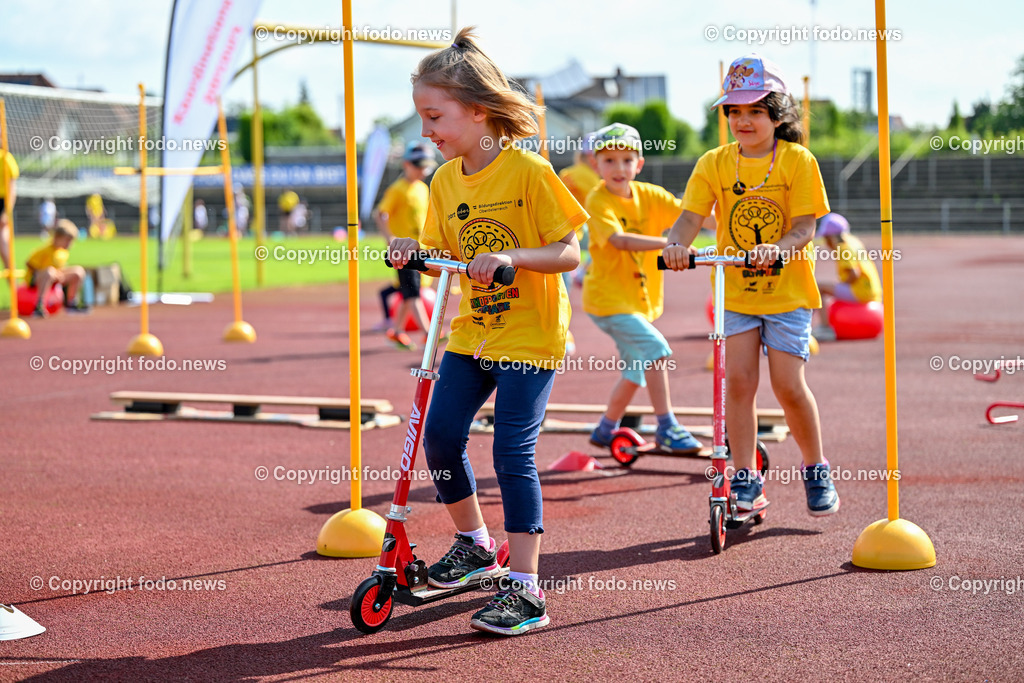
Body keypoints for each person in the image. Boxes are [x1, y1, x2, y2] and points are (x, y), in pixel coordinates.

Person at [389, 27, 584, 636]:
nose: (426, 131)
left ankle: (526, 589)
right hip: (473, 332)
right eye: (421, 117)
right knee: (441, 437)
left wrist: (514, 259)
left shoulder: (527, 170)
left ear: (477, 111)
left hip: (530, 335)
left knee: (510, 451)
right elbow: (442, 252)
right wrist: (410, 252)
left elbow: (569, 252)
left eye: (434, 116)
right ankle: (475, 546)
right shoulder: (442, 183)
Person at [662, 53, 839, 517]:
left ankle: (815, 466)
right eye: (735, 111)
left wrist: (777, 248)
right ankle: (746, 476)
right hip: (735, 292)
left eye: (755, 111)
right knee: (737, 383)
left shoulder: (797, 161)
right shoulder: (714, 163)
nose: (743, 120)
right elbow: (687, 219)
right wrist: (675, 246)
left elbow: (805, 227)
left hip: (787, 295)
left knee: (787, 385)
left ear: (777, 115)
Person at [582, 122, 703, 454]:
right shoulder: (597, 199)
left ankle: (606, 428)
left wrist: (733, 226)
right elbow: (620, 241)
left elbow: (692, 215)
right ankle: (667, 426)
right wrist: (670, 244)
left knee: (634, 372)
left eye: (626, 160)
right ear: (596, 164)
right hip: (609, 302)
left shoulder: (650, 195)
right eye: (609, 160)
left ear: (639, 163)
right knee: (657, 350)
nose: (619, 168)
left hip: (637, 302)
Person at [373, 142, 438, 349]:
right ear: (406, 164)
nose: (422, 170)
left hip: (419, 250)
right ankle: (429, 334)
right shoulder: (398, 189)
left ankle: (397, 332)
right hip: (402, 253)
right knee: (413, 292)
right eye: (418, 165)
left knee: (410, 291)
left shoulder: (422, 188)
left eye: (425, 165)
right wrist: (390, 238)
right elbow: (380, 214)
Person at [812, 212, 881, 342]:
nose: (826, 243)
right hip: (871, 291)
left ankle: (825, 328)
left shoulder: (843, 247)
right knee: (830, 287)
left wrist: (840, 285)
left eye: (826, 238)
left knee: (819, 287)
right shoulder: (853, 241)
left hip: (861, 292)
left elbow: (854, 274)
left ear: (831, 237)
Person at [25, 218, 88, 316]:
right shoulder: (44, 251)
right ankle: (39, 305)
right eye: (67, 240)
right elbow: (29, 264)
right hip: (37, 279)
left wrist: (59, 274)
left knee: (78, 271)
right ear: (57, 237)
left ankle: (72, 302)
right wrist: (48, 272)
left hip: (55, 277)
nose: (69, 244)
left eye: (71, 241)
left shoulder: (63, 252)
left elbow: (60, 267)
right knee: (49, 272)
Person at [0, 149, 20, 271]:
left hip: (2, 203)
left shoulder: (6, 158)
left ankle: (14, 286)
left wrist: (6, 213)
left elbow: (12, 189)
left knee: (4, 246)